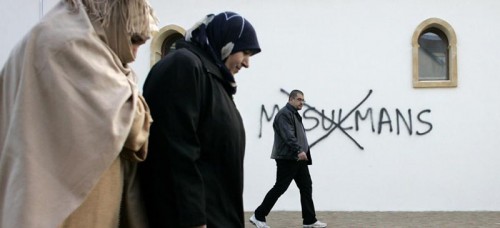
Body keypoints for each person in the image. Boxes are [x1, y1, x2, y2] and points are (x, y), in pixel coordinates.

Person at [0, 0, 157, 227]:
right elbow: (135, 129)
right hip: (68, 207)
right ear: (114, 17)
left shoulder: (51, 32)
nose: (134, 56)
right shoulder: (74, 43)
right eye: (133, 40)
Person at [137, 11, 261, 228]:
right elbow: (176, 150)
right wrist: (192, 219)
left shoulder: (214, 79)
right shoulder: (183, 66)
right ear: (226, 40)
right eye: (246, 51)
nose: (247, 63)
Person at [250, 90, 327, 228]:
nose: (301, 102)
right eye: (299, 99)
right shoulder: (284, 114)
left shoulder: (294, 114)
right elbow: (288, 135)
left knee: (306, 186)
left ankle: (309, 220)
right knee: (280, 187)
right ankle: (258, 215)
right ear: (290, 99)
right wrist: (298, 150)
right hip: (288, 158)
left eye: (303, 100)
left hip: (298, 159)